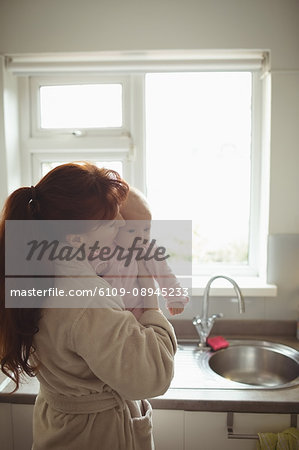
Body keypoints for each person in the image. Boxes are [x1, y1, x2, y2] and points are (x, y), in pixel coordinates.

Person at [0, 162, 177, 450]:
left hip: (58, 424)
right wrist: (151, 304)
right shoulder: (87, 296)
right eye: (109, 222)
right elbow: (151, 377)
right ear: (74, 237)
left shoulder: (36, 269)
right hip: (96, 434)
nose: (120, 225)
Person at [89, 186, 189, 319]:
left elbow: (164, 273)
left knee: (142, 330)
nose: (141, 236)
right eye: (131, 231)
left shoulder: (149, 249)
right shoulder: (105, 246)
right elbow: (91, 266)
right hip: (111, 307)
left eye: (146, 229)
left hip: (138, 305)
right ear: (116, 227)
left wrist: (175, 297)